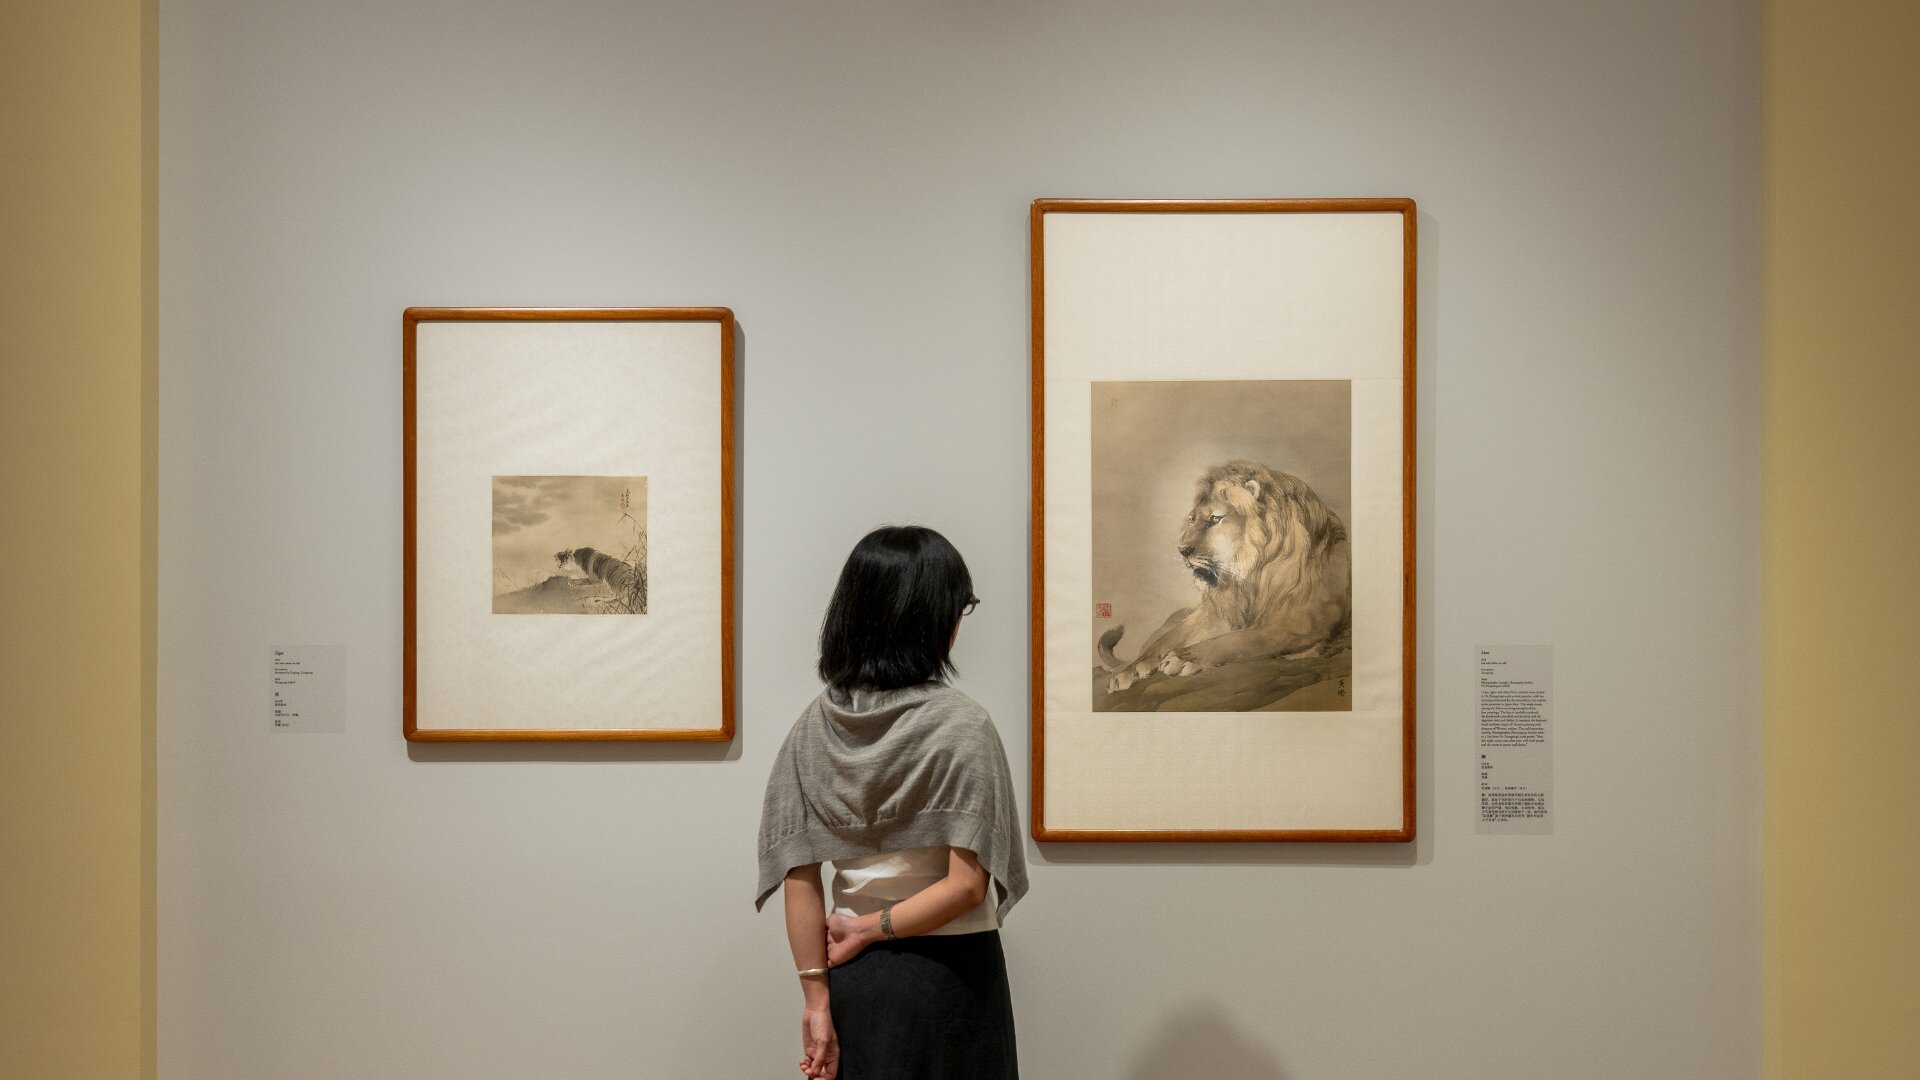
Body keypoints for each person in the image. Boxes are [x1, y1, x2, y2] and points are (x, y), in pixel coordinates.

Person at [756, 525, 1029, 1080]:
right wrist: (873, 928)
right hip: (950, 979)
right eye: (960, 605)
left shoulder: (813, 728)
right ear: (929, 617)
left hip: (855, 981)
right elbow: (968, 885)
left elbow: (799, 875)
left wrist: (815, 999)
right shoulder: (963, 726)